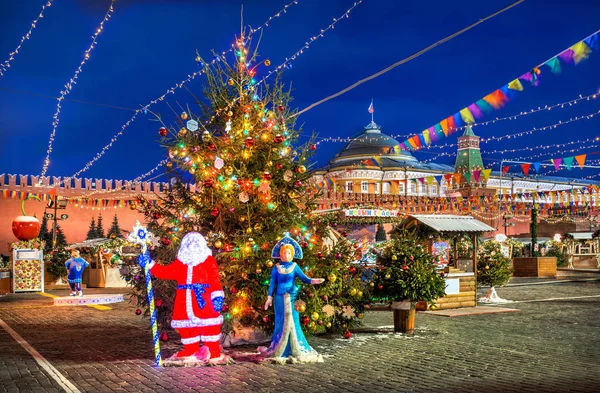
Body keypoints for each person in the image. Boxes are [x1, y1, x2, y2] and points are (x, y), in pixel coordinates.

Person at [138, 232, 225, 360]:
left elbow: (214, 280)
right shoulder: (181, 263)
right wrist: (150, 264)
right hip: (184, 300)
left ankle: (212, 349)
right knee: (186, 327)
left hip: (204, 299)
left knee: (209, 325)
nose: (192, 246)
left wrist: (217, 296)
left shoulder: (208, 261)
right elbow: (165, 272)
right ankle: (191, 349)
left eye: (195, 243)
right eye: (189, 243)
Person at [261, 234, 324, 363]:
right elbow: (272, 283)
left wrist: (314, 281)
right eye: (284, 253)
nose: (286, 255)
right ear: (280, 254)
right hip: (279, 298)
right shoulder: (276, 267)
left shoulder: (295, 266)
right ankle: (280, 347)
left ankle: (296, 346)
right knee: (280, 321)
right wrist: (269, 297)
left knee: (294, 321)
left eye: (289, 253)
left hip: (292, 297)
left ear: (292, 254)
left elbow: (304, 278)